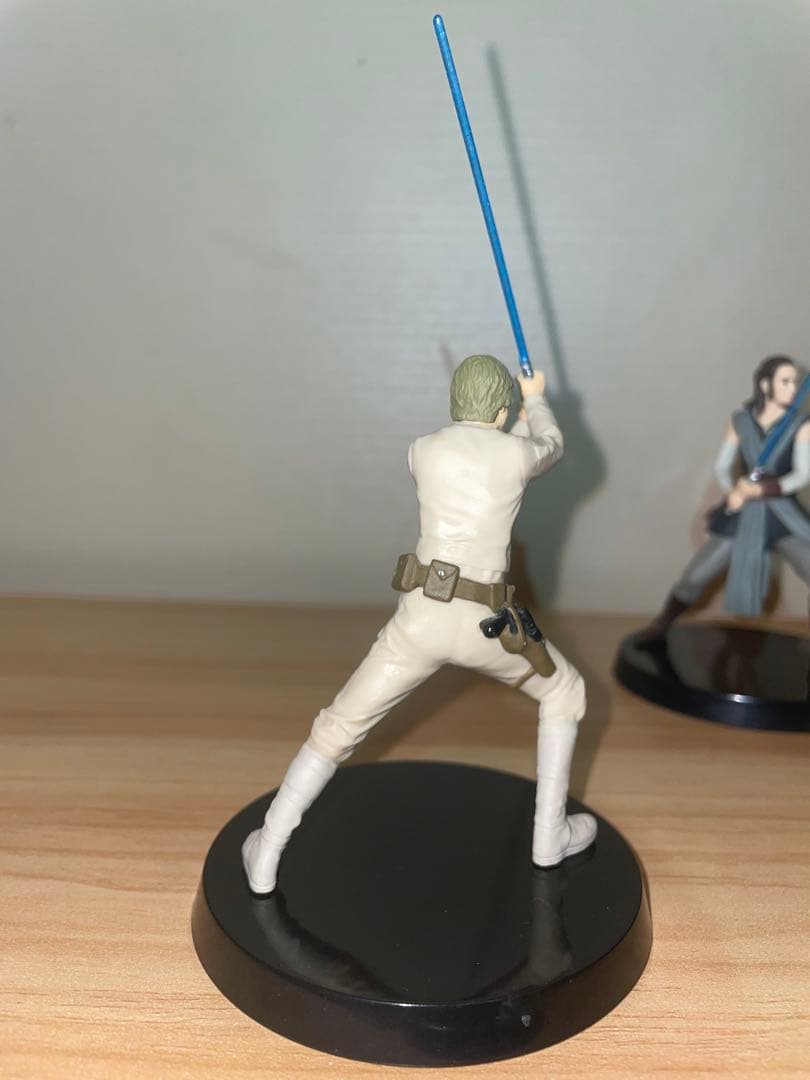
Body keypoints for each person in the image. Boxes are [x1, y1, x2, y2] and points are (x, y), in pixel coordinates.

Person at [242, 354, 597, 895]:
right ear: (502, 412)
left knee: (338, 727)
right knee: (565, 692)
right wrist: (537, 399)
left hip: (421, 621)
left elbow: (487, 459)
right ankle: (549, 836)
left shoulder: (423, 450)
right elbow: (547, 447)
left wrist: (517, 416)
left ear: (455, 403)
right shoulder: (514, 453)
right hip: (486, 626)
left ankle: (267, 848)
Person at [641, 355, 810, 640]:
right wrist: (734, 491)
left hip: (783, 515)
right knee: (696, 576)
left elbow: (803, 475)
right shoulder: (741, 421)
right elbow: (721, 466)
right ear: (765, 384)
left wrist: (764, 489)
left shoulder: (801, 426)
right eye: (785, 381)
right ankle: (661, 626)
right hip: (745, 512)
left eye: (795, 381)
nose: (792, 387)